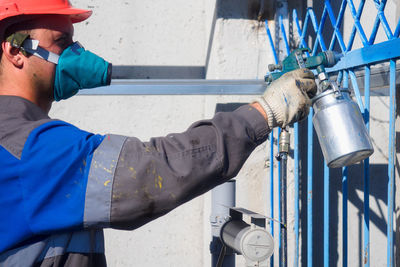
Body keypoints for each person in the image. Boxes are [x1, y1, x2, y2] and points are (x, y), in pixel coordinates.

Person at [0, 0, 317, 266]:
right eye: (61, 43)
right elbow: (148, 172)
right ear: (15, 51)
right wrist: (265, 113)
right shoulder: (26, 150)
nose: (75, 54)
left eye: (74, 42)